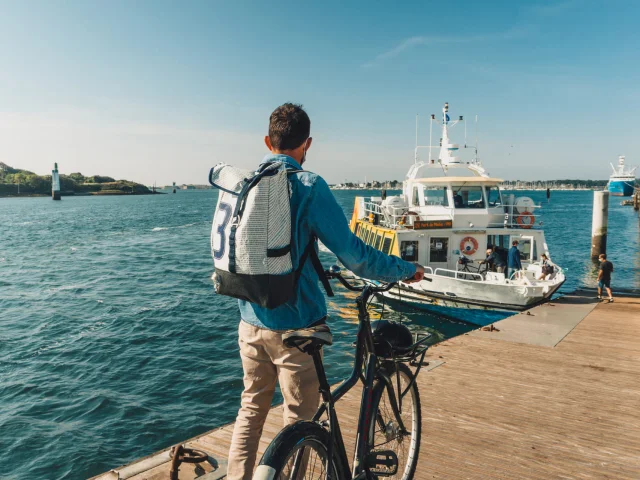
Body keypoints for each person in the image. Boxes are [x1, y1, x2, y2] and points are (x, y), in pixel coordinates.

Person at [226, 103, 425, 480]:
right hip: (296, 327)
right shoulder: (308, 186)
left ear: (268, 141)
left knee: (250, 409)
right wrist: (404, 269)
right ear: (308, 144)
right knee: (297, 419)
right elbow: (356, 256)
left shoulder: (247, 183)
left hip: (249, 320)